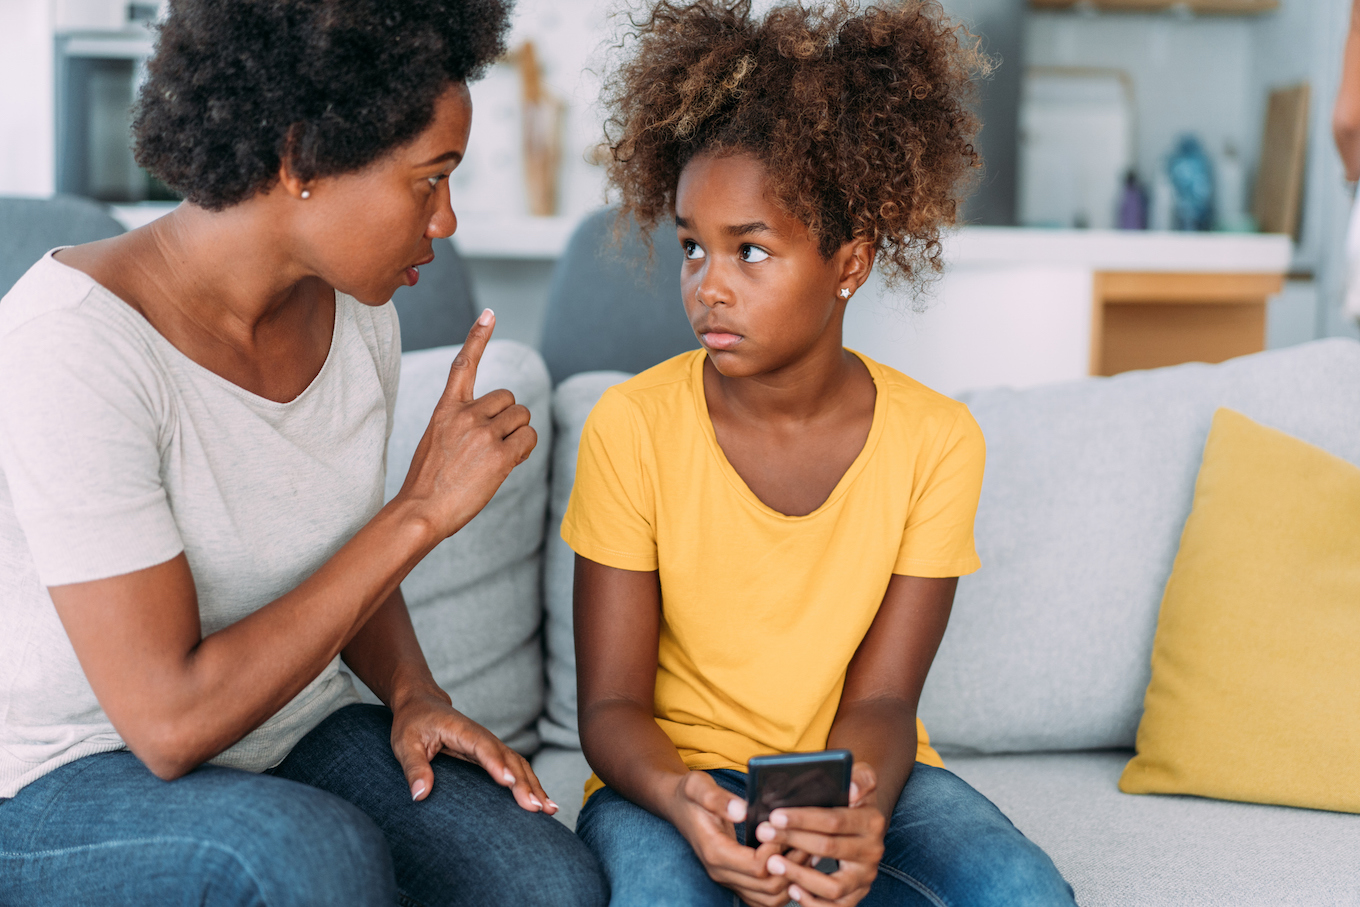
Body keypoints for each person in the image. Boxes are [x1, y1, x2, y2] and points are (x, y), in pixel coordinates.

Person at [0, 1, 605, 905]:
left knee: (542, 880)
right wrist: (420, 511)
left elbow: (335, 556)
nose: (443, 221)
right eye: (427, 180)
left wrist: (413, 692)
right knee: (306, 856)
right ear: (298, 160)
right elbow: (169, 722)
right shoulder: (72, 343)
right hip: (69, 770)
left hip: (289, 726)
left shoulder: (361, 315)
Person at [564, 2, 1077, 905]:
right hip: (669, 782)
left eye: (749, 250)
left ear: (849, 262)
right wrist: (685, 801)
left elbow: (884, 704)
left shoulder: (935, 441)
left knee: (1022, 892)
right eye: (691, 246)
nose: (707, 285)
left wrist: (847, 809)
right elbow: (609, 709)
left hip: (849, 772)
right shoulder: (632, 426)